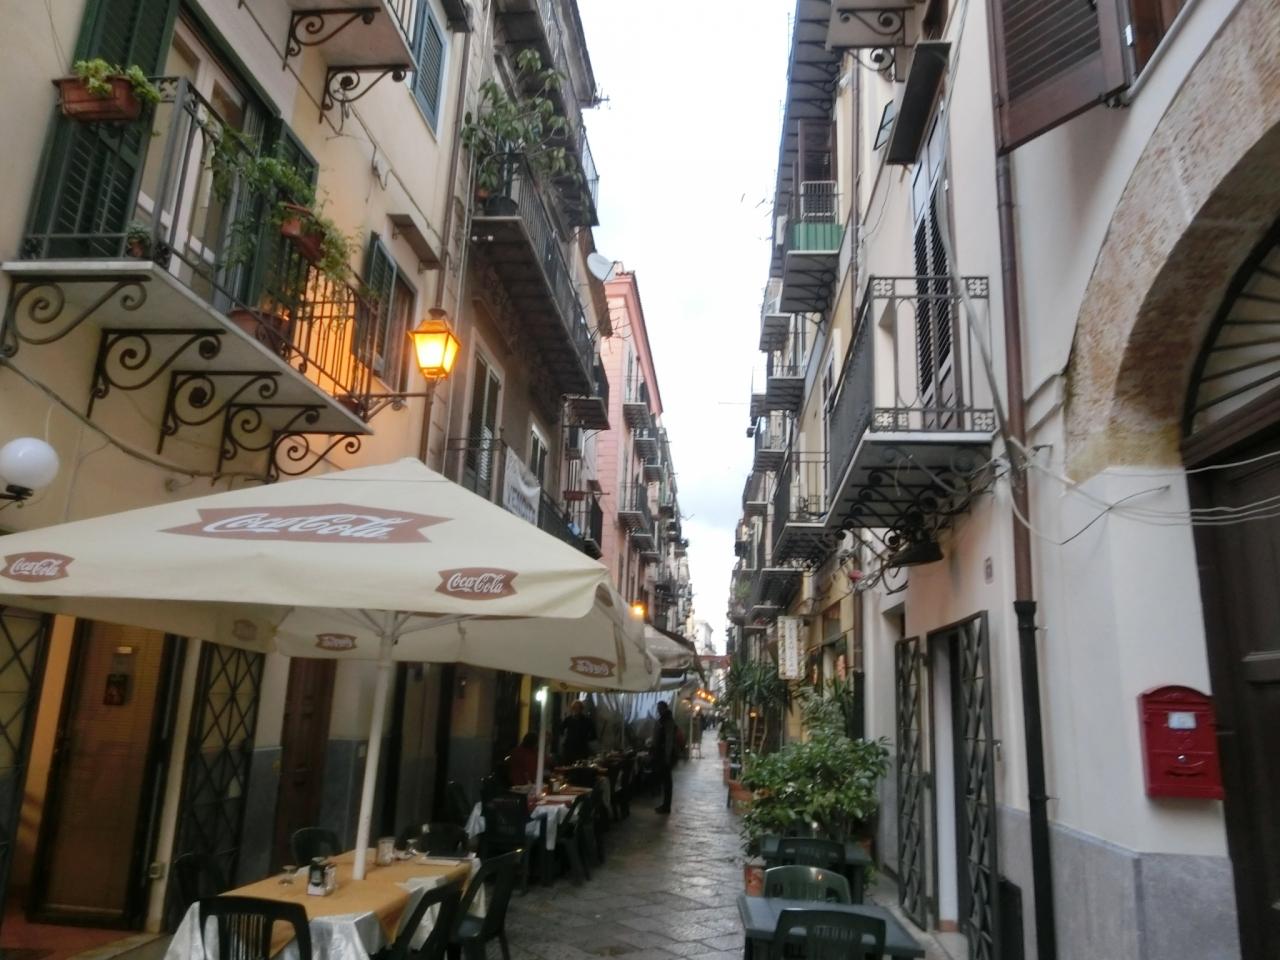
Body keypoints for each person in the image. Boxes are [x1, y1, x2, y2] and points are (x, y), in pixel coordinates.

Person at [653, 700, 676, 814]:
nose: (658, 710)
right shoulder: (665, 719)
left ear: (663, 708)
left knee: (667, 782)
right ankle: (665, 805)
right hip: (662, 754)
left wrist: (667, 756)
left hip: (664, 755)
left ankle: (666, 806)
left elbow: (669, 740)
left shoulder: (667, 721)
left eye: (659, 708)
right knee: (665, 781)